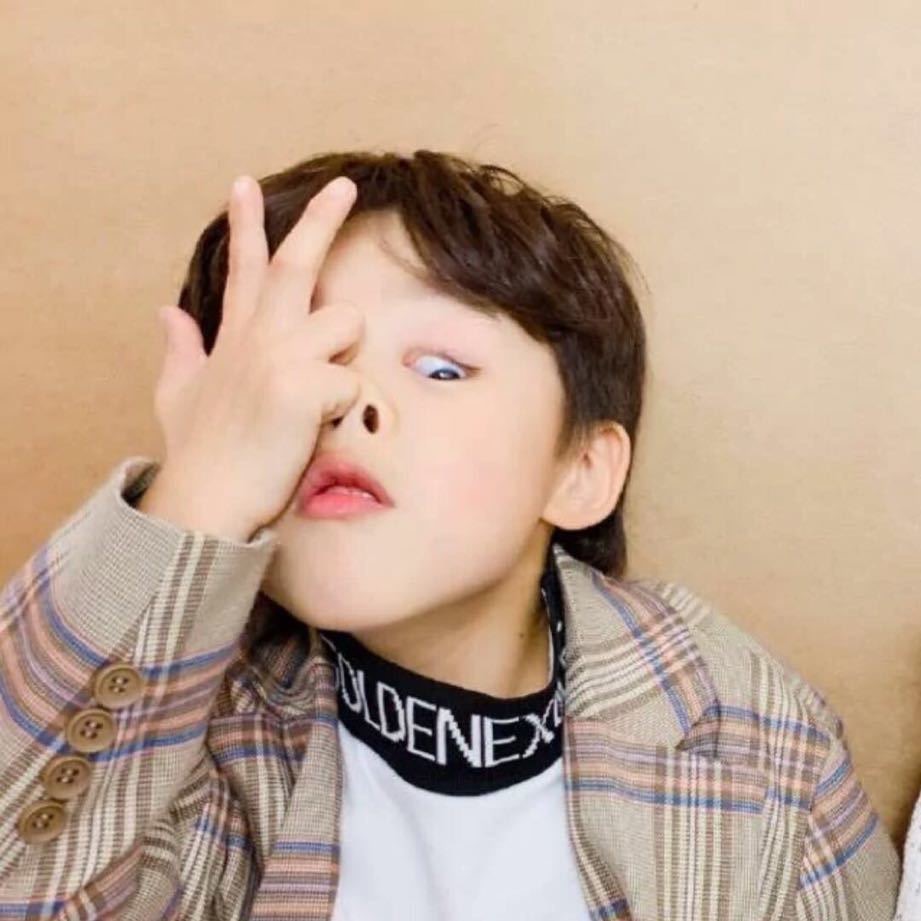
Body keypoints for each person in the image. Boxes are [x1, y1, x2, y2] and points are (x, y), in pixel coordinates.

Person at [0, 150, 899, 919]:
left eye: (440, 368)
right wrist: (200, 494)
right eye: (299, 372)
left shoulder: (754, 746)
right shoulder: (178, 723)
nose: (346, 402)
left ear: (580, 470)